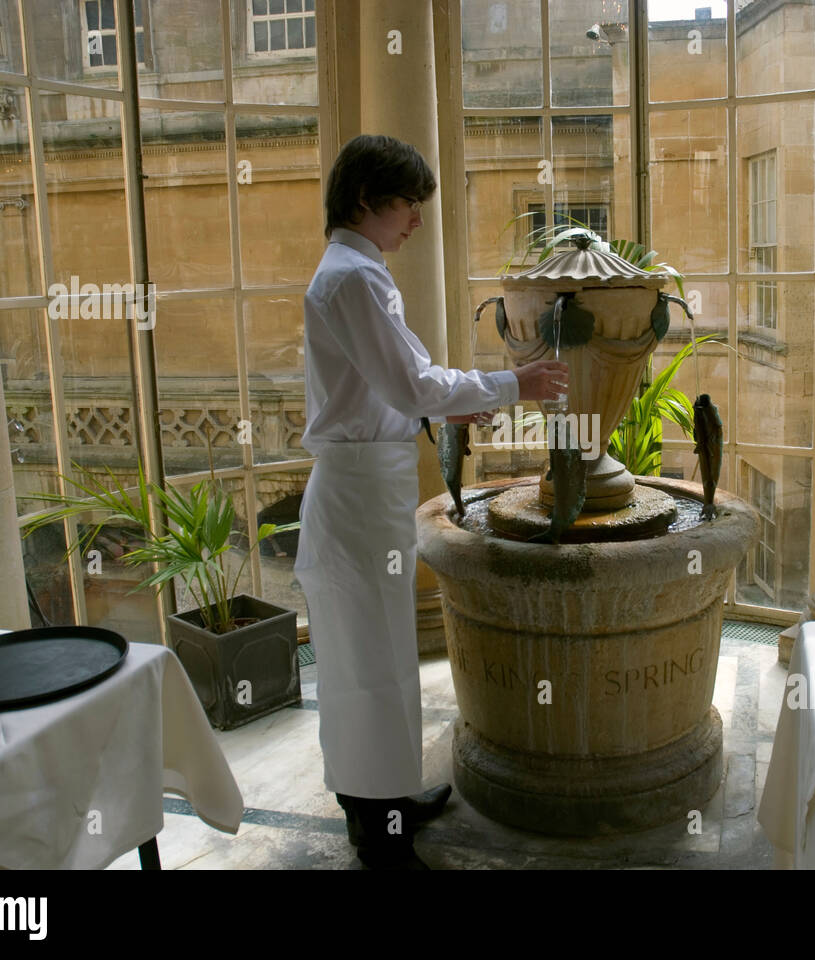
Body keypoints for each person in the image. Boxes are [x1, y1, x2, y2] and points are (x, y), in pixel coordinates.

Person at [295, 134, 568, 870]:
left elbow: (399, 383)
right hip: (356, 494)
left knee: (377, 656)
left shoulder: (360, 271)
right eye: (408, 203)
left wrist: (449, 406)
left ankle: (385, 798)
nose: (417, 218)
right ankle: (377, 829)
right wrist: (517, 383)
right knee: (366, 662)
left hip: (366, 485)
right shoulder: (353, 278)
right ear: (366, 201)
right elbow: (413, 387)